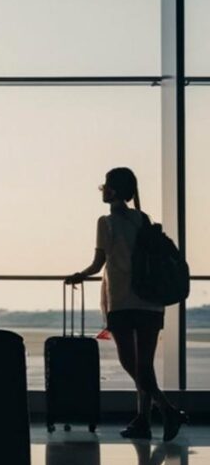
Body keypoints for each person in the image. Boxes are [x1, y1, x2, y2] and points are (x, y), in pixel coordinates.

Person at [67, 167, 187, 441]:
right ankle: (143, 420)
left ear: (113, 190)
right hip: (151, 301)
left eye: (105, 186)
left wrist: (80, 275)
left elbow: (99, 264)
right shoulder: (143, 219)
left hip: (122, 300)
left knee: (130, 362)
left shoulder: (105, 222)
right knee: (145, 364)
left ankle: (167, 409)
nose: (102, 190)